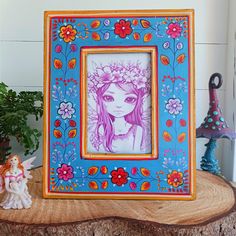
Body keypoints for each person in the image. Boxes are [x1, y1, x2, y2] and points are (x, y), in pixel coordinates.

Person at [88, 61, 151, 154]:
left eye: (129, 99)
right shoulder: (102, 128)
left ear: (139, 101)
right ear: (99, 100)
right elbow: (100, 154)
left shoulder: (138, 130)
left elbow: (136, 155)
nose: (118, 105)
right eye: (108, 98)